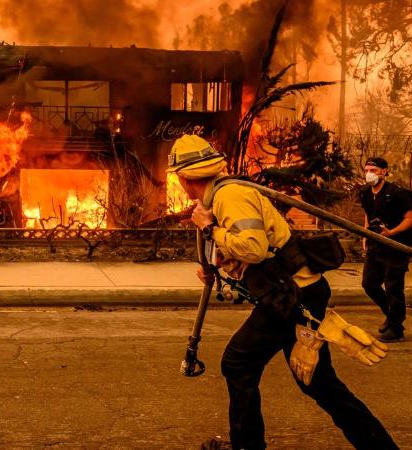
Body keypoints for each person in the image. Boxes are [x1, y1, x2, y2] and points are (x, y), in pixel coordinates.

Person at [167, 134, 397, 450]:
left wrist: (210, 229)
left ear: (183, 177)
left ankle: (247, 445)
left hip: (292, 295)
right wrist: (218, 261)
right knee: (318, 383)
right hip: (297, 291)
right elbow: (248, 245)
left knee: (238, 362)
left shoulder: (228, 196)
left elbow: (254, 248)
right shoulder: (221, 195)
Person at [359, 157, 412, 342]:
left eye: (374, 170)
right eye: (367, 170)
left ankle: (396, 329)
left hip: (396, 246)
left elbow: (411, 219)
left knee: (393, 287)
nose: (369, 174)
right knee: (369, 284)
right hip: (375, 246)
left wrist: (391, 232)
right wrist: (364, 235)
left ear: (384, 171)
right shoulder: (366, 193)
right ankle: (392, 317)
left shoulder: (397, 193)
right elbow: (368, 216)